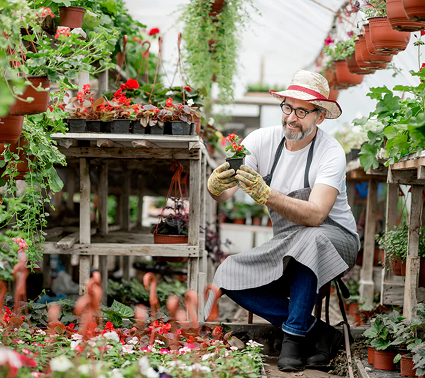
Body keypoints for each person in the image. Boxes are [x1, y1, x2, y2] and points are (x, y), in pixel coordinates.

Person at [205, 70, 360, 372]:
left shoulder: (330, 153)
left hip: (335, 241)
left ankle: (292, 339)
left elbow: (316, 215)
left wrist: (267, 193)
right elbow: (227, 194)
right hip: (286, 242)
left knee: (311, 240)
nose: (291, 117)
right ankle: (318, 333)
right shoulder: (261, 141)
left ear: (320, 117)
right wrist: (216, 187)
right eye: (287, 107)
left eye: (302, 111)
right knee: (228, 273)